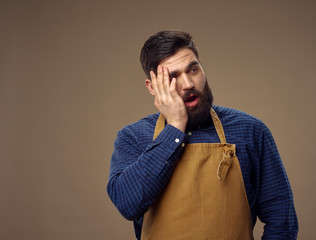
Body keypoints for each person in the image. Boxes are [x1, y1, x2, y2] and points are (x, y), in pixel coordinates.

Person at [107, 30, 298, 240]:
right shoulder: (133, 137)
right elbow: (127, 204)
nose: (188, 84)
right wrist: (175, 127)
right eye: (172, 77)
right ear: (153, 88)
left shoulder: (250, 130)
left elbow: (282, 220)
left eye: (193, 69)